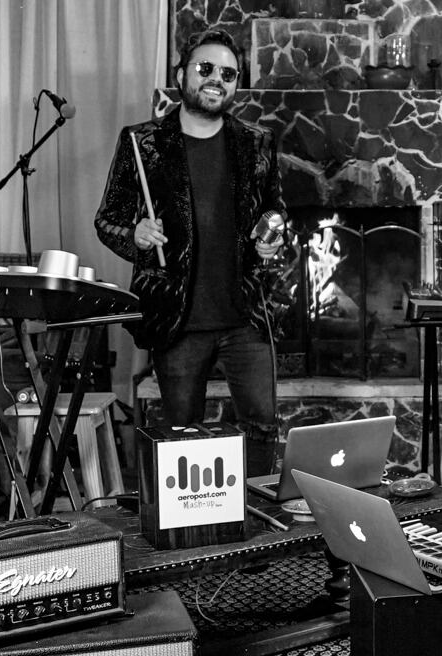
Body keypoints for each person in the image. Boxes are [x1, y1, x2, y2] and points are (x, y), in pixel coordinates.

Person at [95, 29, 288, 477]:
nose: (216, 79)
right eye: (205, 68)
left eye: (228, 73)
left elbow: (275, 209)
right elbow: (107, 219)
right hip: (177, 319)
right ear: (181, 75)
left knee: (261, 427)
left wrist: (272, 234)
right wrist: (136, 235)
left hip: (247, 316)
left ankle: (256, 508)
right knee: (184, 435)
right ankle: (199, 520)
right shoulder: (143, 142)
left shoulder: (257, 141)